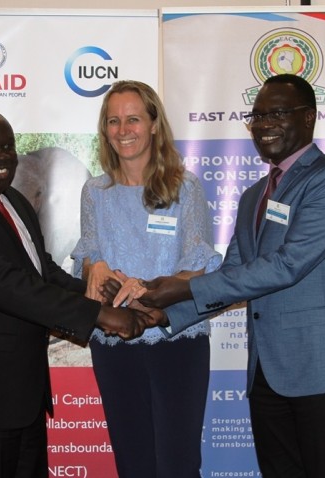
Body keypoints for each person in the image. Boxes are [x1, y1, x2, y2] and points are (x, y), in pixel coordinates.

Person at [117, 74, 325, 478]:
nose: (263, 124)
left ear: (309, 118)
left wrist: (183, 287)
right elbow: (234, 274)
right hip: (266, 374)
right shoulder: (255, 194)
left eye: (276, 113)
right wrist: (167, 314)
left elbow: (287, 265)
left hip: (321, 367)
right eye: (256, 116)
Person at [0, 105, 154, 478]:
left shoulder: (13, 201)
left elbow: (42, 272)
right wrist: (100, 316)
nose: (1, 157)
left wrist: (104, 294)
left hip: (22, 398)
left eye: (7, 147)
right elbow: (4, 284)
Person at [70, 80, 221, 478]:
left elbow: (198, 267)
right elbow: (88, 260)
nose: (124, 130)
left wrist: (148, 289)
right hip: (115, 341)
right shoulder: (95, 192)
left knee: (178, 463)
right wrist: (95, 268)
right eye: (114, 121)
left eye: (133, 118)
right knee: (132, 460)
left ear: (154, 124)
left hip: (175, 341)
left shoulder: (184, 188)